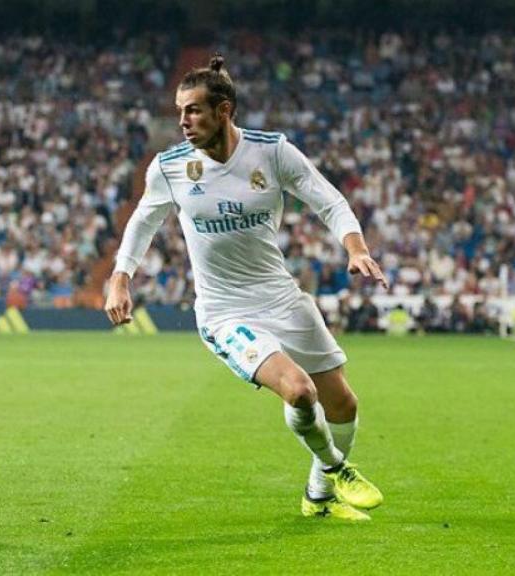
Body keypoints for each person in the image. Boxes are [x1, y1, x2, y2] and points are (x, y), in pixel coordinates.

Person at [105, 56, 386, 521]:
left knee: (343, 402)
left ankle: (317, 494)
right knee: (298, 391)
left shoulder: (272, 152)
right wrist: (120, 278)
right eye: (180, 111)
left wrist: (355, 249)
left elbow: (329, 200)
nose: (183, 122)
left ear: (224, 111)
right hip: (225, 312)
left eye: (194, 110)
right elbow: (142, 221)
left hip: (282, 298)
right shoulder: (170, 167)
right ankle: (340, 470)